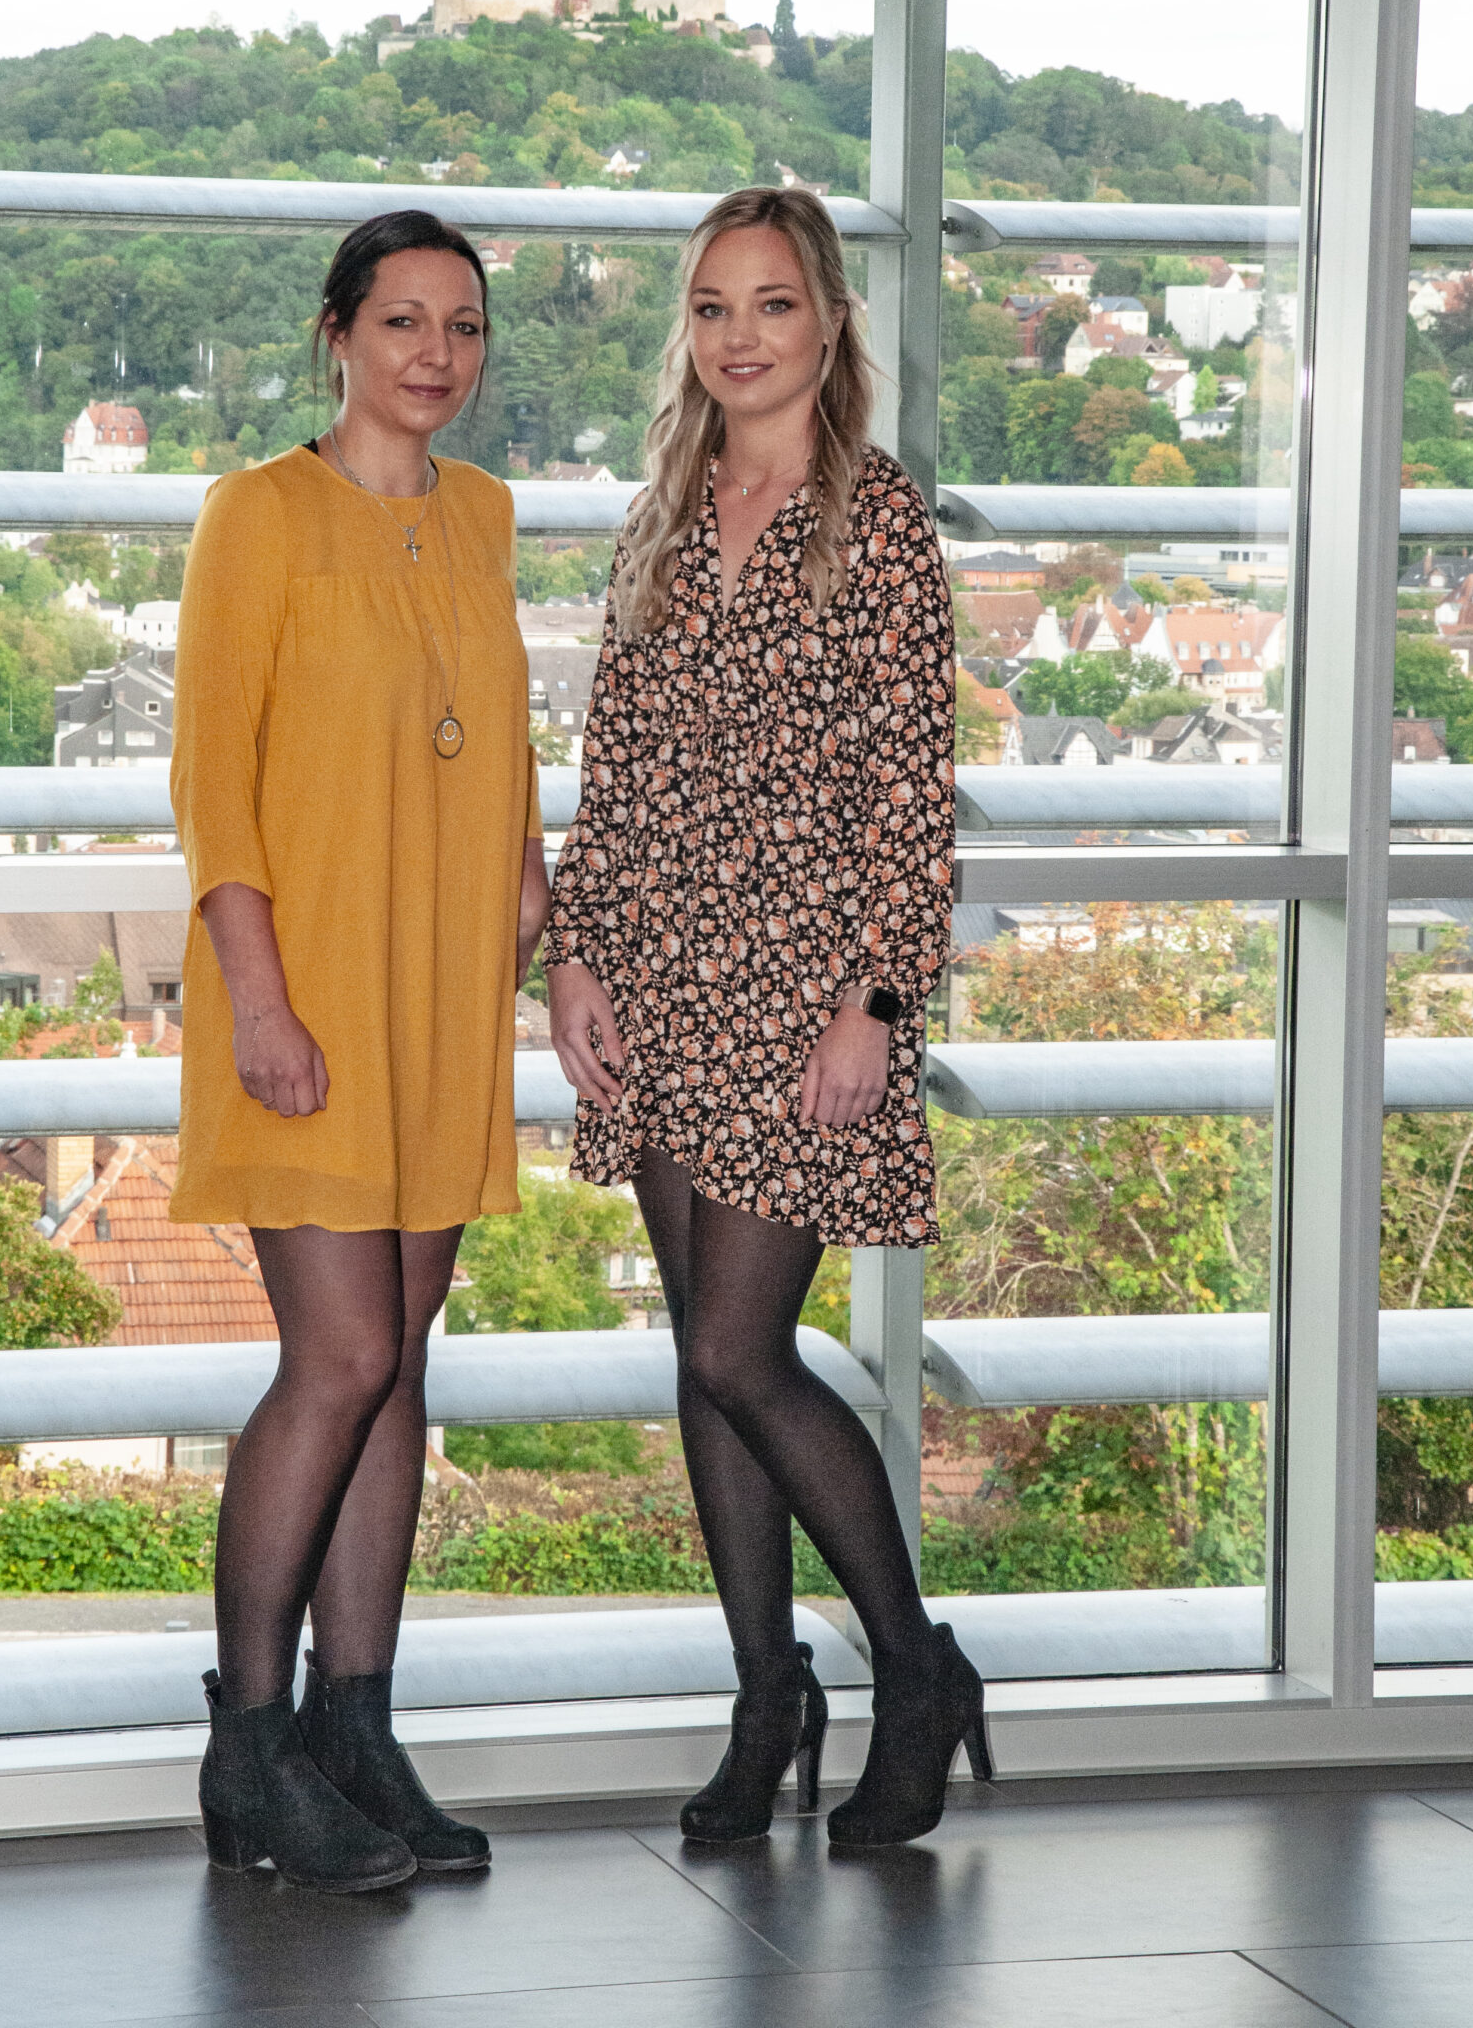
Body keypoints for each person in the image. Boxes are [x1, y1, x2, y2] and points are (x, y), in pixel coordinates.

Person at [544, 185, 989, 1848]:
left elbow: (913, 799)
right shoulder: (661, 514)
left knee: (744, 1348)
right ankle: (765, 1697)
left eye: (775, 305)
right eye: (715, 308)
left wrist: (879, 1000)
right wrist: (574, 960)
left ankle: (914, 1668)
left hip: (805, 989)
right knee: (703, 1363)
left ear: (828, 327)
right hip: (658, 976)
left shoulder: (878, 525)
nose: (742, 337)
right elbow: (618, 774)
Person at [170, 209, 548, 1893]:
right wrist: (257, 1001)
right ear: (338, 335)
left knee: (400, 1361)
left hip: (441, 1000)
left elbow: (511, 756)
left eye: (461, 328)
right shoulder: (255, 515)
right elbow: (213, 787)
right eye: (402, 322)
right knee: (334, 1361)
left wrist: (547, 929)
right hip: (303, 1003)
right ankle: (247, 1746)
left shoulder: (486, 517)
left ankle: (356, 1726)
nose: (434, 355)